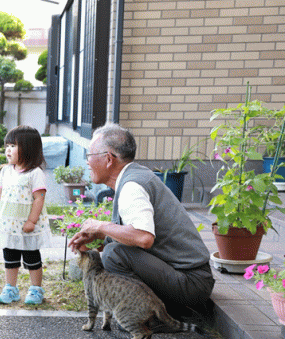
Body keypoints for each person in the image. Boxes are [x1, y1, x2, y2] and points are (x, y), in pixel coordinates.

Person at [68, 122, 214, 318]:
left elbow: (144, 238)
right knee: (112, 249)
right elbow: (136, 238)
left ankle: (153, 318)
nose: (87, 162)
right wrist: (99, 237)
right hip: (190, 278)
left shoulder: (132, 186)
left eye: (89, 156)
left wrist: (101, 226)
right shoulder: (134, 176)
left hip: (191, 283)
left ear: (108, 159)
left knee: (114, 255)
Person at [0, 125, 52, 305]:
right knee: (10, 258)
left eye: (13, 146)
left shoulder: (35, 173)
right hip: (8, 226)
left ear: (28, 148)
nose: (8, 150)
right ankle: (10, 288)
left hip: (27, 226)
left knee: (32, 258)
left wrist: (31, 221)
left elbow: (39, 198)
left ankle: (36, 289)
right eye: (7, 146)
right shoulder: (5, 171)